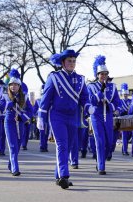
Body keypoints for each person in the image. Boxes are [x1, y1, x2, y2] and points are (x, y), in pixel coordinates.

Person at [37, 49, 94, 189]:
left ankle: (58, 176)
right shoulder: (54, 77)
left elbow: (84, 97)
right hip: (57, 116)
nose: (72, 63)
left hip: (73, 117)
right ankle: (64, 175)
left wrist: (88, 107)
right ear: (63, 62)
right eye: (69, 61)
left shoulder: (80, 79)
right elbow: (46, 98)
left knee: (68, 147)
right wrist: (41, 116)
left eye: (74, 61)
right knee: (62, 145)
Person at [87, 55, 120, 175]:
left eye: (105, 74)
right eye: (101, 74)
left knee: (110, 142)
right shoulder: (91, 86)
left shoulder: (112, 86)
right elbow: (90, 100)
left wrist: (111, 105)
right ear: (97, 75)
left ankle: (101, 159)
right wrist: (100, 95)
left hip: (109, 115)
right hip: (97, 115)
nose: (104, 76)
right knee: (100, 141)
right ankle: (101, 166)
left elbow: (117, 101)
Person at [0, 69, 32, 176]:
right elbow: (0, 108)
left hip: (20, 122)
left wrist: (23, 117)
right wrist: (8, 104)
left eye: (16, 85)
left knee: (17, 145)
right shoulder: (5, 96)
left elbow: (31, 111)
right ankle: (15, 169)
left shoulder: (24, 97)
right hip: (9, 122)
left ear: (19, 86)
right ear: (9, 86)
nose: (13, 87)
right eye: (11, 85)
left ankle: (10, 164)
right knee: (12, 145)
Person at [33, 85, 50, 152]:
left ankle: (44, 146)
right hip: (41, 117)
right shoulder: (38, 100)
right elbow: (35, 109)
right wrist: (35, 116)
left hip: (47, 116)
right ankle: (42, 146)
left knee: (46, 132)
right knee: (42, 132)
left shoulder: (48, 99)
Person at [118, 83, 132, 156]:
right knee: (124, 135)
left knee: (129, 135)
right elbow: (118, 110)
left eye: (126, 94)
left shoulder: (131, 101)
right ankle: (125, 150)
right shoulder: (120, 101)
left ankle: (124, 148)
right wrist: (122, 112)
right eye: (124, 94)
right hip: (123, 119)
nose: (125, 95)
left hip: (130, 120)